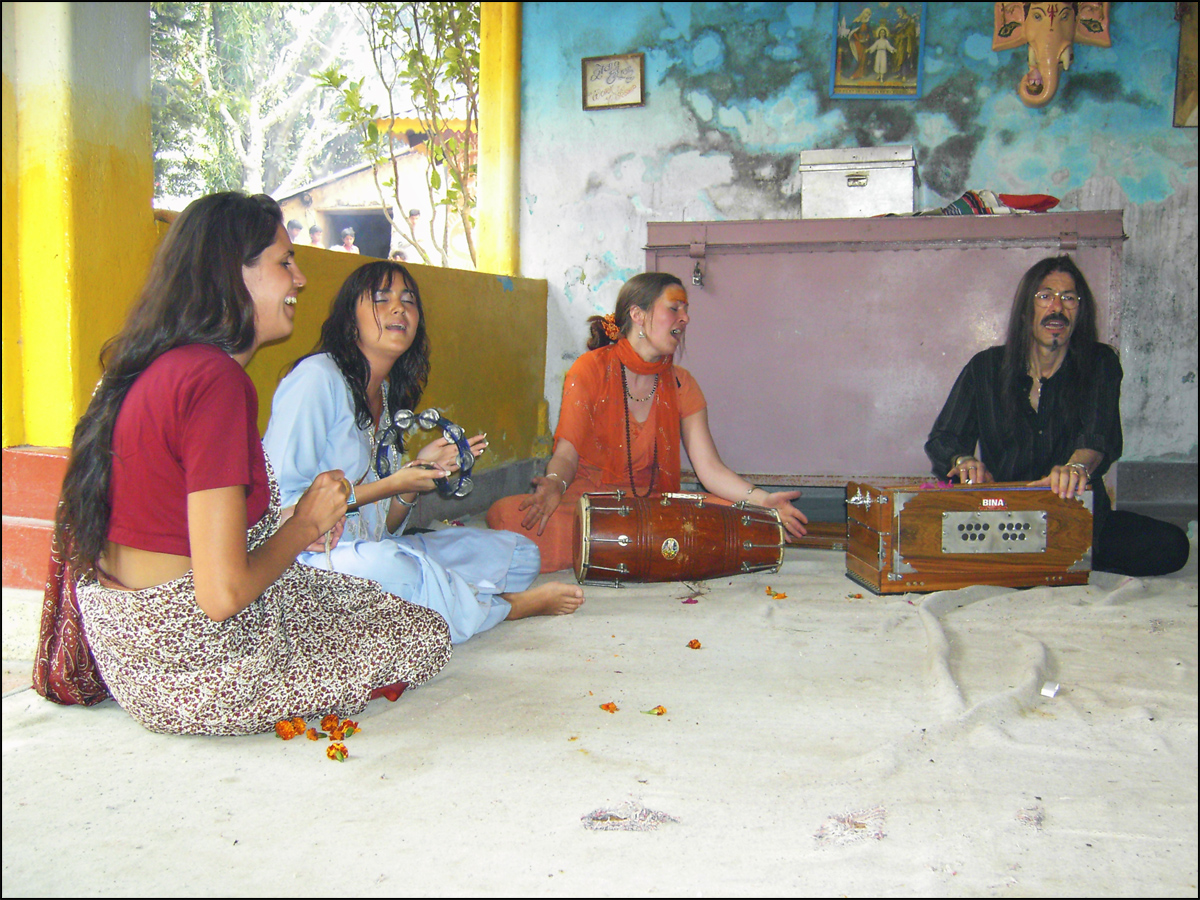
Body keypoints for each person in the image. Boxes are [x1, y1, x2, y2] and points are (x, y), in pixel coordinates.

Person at [42, 192, 451, 734]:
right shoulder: (216, 383)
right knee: (421, 635)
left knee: (365, 602)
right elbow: (223, 595)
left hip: (131, 646)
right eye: (284, 262)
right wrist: (308, 519)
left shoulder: (152, 365)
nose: (299, 279)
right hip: (195, 665)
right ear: (233, 275)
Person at [262, 260, 584, 641]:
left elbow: (387, 527)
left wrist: (416, 479)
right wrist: (393, 482)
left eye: (408, 300)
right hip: (309, 562)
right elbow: (277, 511)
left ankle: (448, 598)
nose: (399, 308)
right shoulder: (317, 379)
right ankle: (503, 607)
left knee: (517, 554)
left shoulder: (384, 396)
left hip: (371, 549)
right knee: (399, 568)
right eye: (382, 299)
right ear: (351, 320)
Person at [487, 272, 809, 573]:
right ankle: (639, 547)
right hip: (593, 506)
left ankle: (617, 547)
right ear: (638, 315)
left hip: (657, 507)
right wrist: (555, 484)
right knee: (506, 516)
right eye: (674, 308)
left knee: (739, 516)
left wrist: (763, 499)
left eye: (686, 310)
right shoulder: (589, 370)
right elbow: (567, 454)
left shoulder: (683, 383)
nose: (685, 318)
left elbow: (710, 469)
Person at [926, 254, 1190, 577]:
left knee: (1173, 546)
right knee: (923, 535)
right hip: (1006, 521)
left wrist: (1075, 468)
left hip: (1079, 519)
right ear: (1026, 311)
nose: (1057, 308)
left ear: (1080, 313)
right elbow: (943, 439)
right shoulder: (985, 368)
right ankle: (1043, 560)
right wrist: (963, 461)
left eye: (1069, 298)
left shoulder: (1100, 364)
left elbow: (1097, 437)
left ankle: (1053, 558)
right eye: (1045, 296)